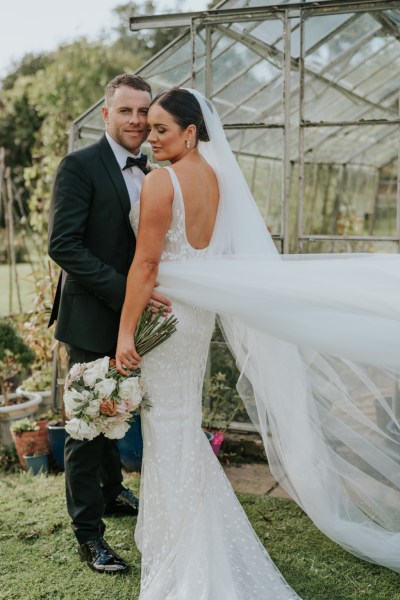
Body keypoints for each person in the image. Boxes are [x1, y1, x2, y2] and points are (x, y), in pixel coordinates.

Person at [116, 87, 400, 597]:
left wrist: (124, 333)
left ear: (190, 131)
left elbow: (147, 264)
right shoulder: (217, 178)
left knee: (168, 425)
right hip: (195, 318)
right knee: (178, 423)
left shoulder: (162, 183)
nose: (150, 137)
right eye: (148, 128)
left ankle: (182, 546)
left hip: (165, 317)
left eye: (161, 128)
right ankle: (177, 535)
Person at [48, 73, 170, 574]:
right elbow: (64, 245)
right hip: (93, 316)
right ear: (106, 114)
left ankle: (115, 492)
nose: (138, 121)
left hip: (138, 321)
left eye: (144, 112)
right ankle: (89, 536)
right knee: (87, 424)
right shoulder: (79, 167)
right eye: (126, 111)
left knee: (118, 411)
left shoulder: (158, 168)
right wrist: (130, 291)